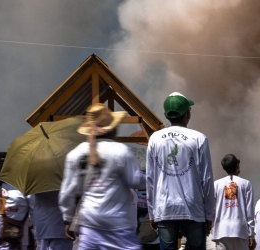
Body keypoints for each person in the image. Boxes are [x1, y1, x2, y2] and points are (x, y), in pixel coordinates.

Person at [58, 104, 145, 250]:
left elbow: (66, 193)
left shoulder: (75, 155)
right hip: (117, 227)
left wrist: (68, 219)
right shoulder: (120, 151)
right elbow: (136, 180)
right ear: (112, 128)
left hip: (89, 227)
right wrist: (154, 180)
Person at [146, 92, 214, 250]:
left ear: (166, 114)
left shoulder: (155, 139)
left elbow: (150, 179)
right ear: (187, 114)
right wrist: (209, 214)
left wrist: (152, 212)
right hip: (193, 209)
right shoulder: (198, 138)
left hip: (165, 207)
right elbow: (207, 179)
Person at [213, 154, 256, 250]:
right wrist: (251, 234)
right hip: (241, 231)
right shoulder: (246, 184)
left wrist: (213, 223)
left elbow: (209, 207)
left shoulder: (216, 184)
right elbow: (250, 211)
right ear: (237, 166)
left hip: (221, 231)